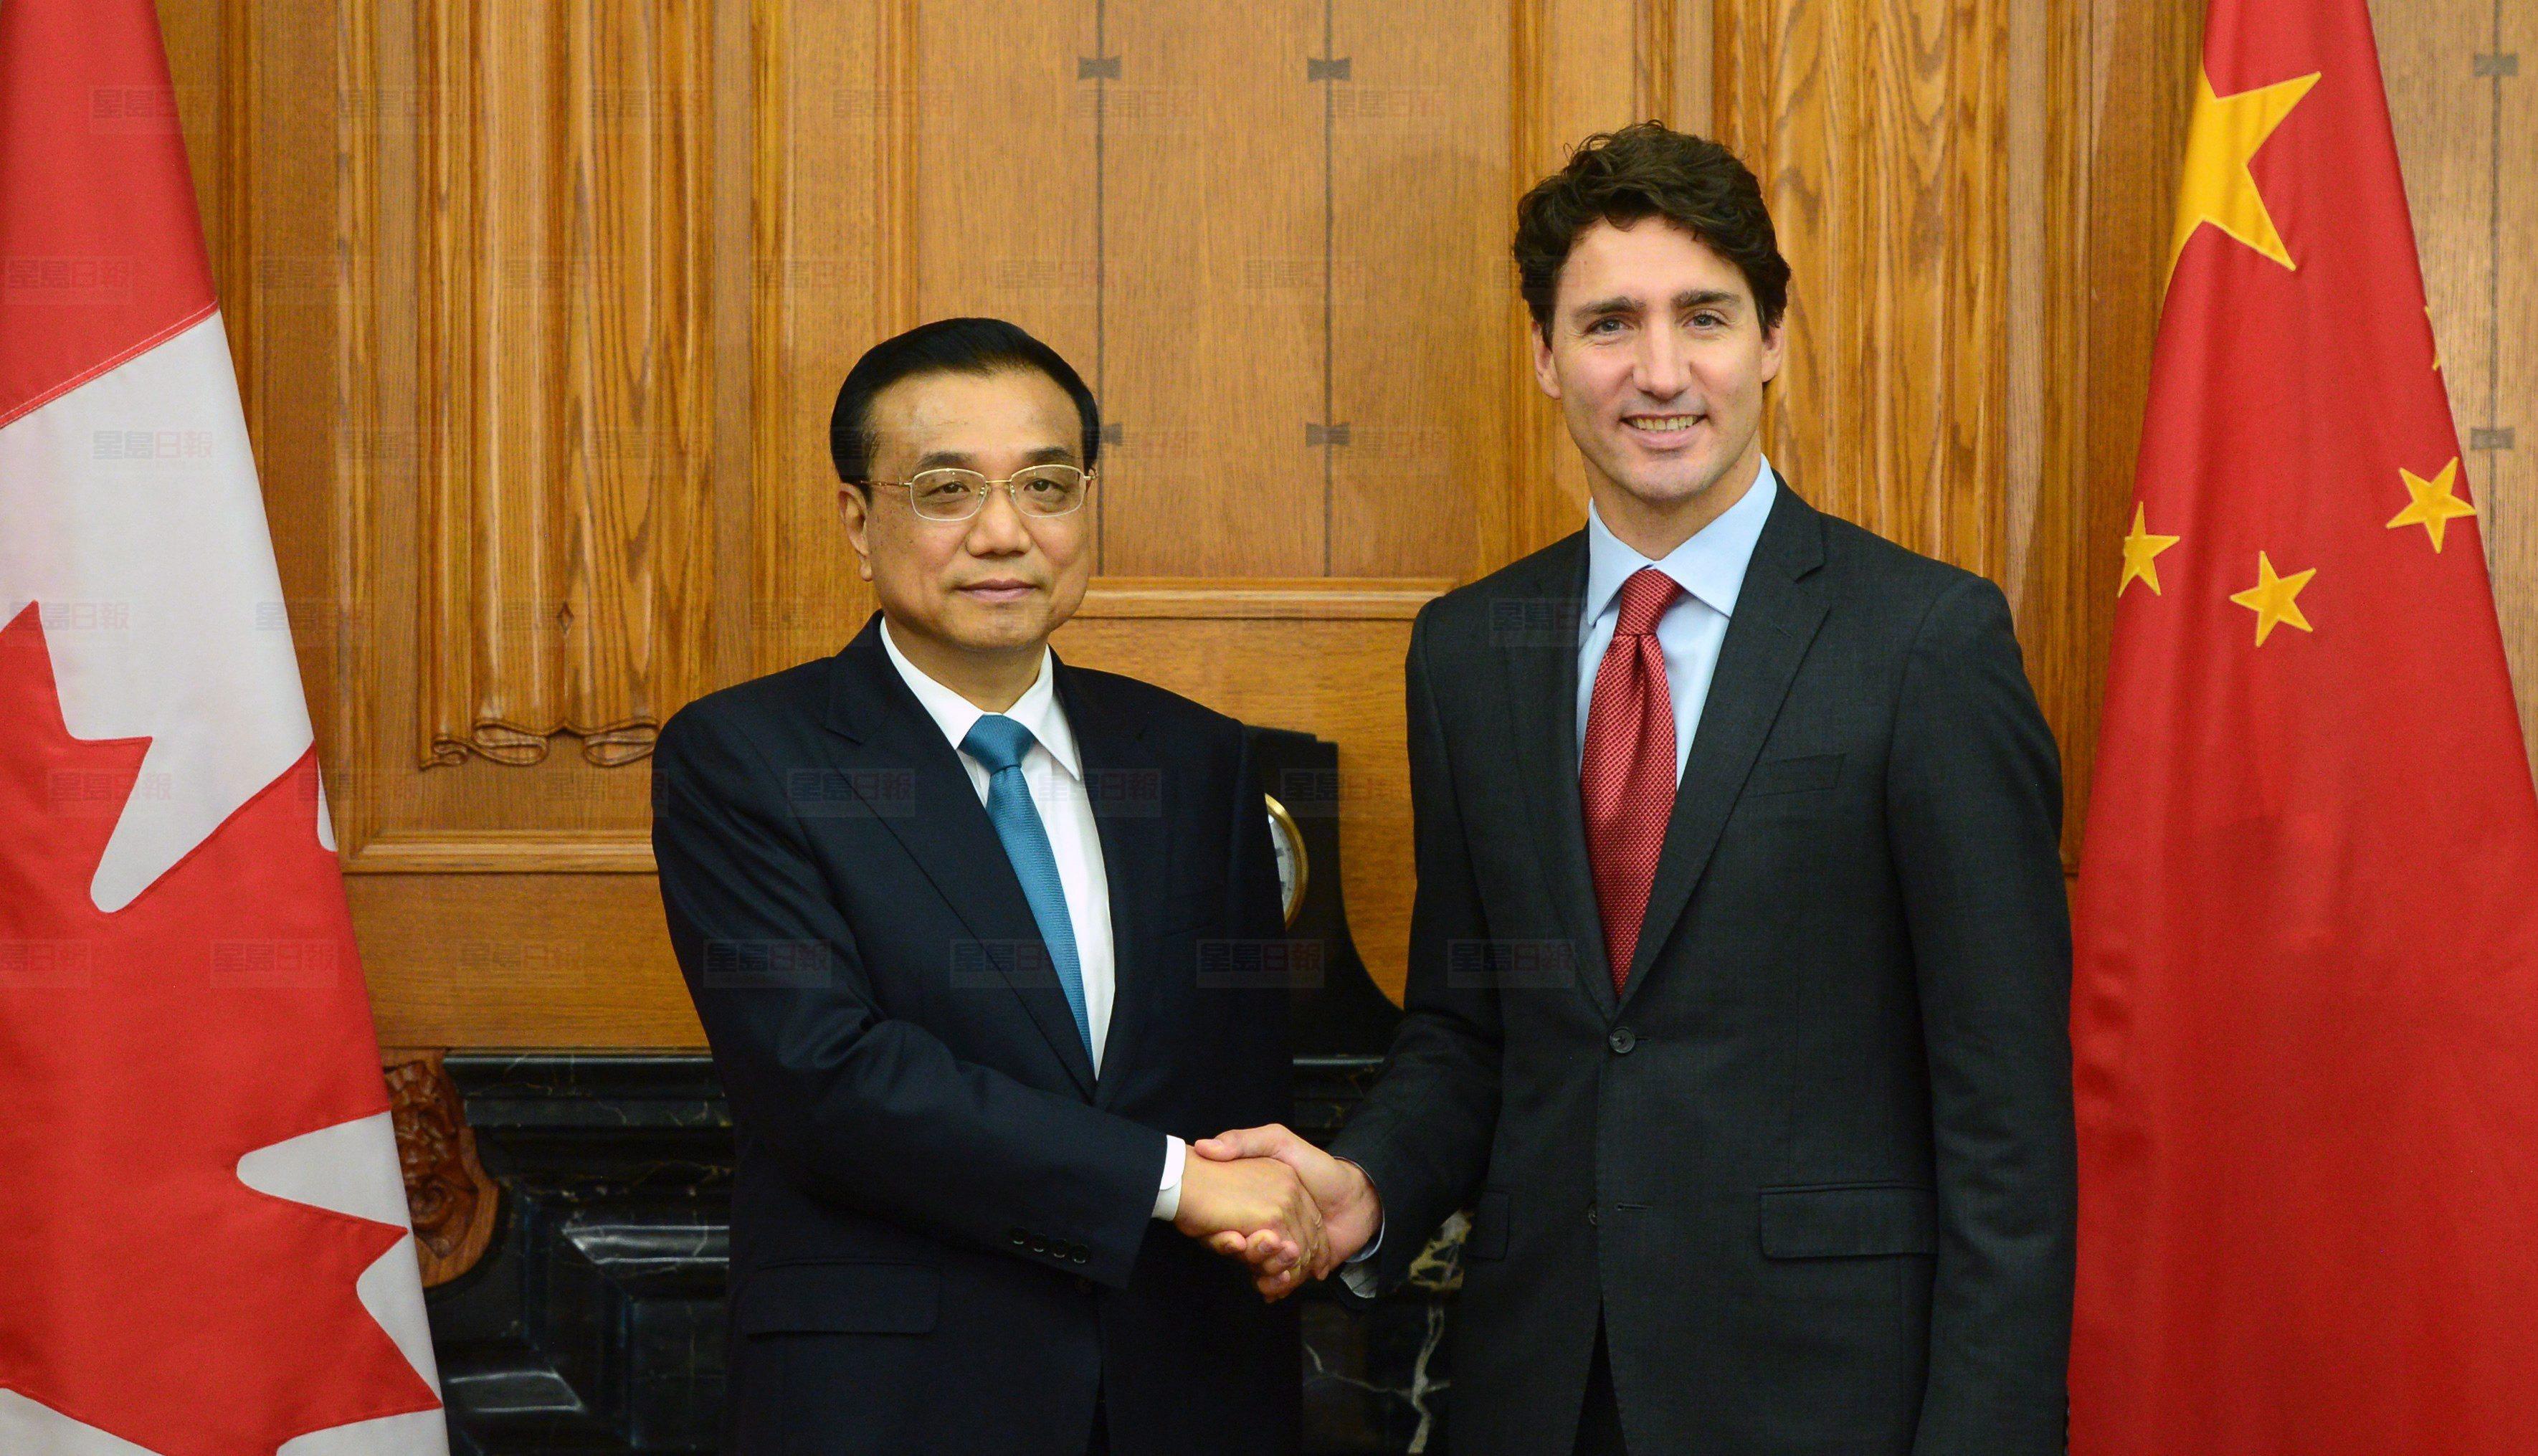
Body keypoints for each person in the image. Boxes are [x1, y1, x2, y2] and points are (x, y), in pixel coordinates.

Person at [1199, 123, 2077, 1455]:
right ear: (1547, 358)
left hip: (1836, 1401)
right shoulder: (1467, 650)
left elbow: (2007, 1121)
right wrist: (1359, 1189)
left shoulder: (1927, 643)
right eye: (1610, 323)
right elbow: (1469, 1032)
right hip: (1541, 1391)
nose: (1661, 373)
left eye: (1705, 318)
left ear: (1772, 340)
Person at [652, 317, 1314, 1456]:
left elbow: (1238, 1079)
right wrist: (1169, 1184)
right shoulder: (745, 758)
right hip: (895, 1401)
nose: (1005, 532)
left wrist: (1279, 1204)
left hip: (1185, 1388)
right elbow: (825, 1083)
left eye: (1046, 486)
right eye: (948, 489)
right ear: (860, 522)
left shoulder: (1196, 758)